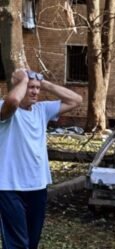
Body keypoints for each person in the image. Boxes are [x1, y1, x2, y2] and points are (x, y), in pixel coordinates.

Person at [0, 69, 82, 249]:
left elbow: (76, 100)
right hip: (9, 188)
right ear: (19, 87)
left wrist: (45, 84)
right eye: (30, 88)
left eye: (37, 88)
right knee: (17, 244)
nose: (35, 92)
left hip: (37, 186)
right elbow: (13, 101)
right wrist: (22, 80)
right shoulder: (3, 108)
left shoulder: (42, 110)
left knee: (32, 242)